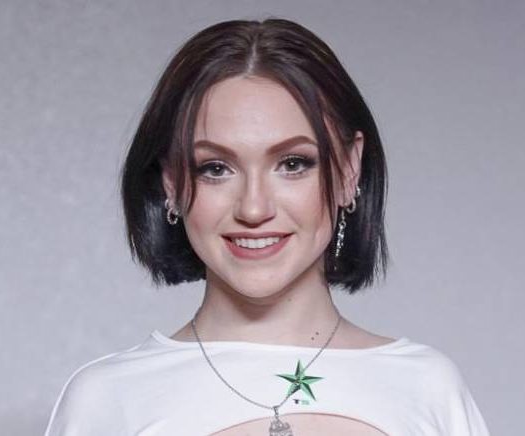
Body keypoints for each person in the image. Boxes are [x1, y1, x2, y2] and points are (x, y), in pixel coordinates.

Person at [44, 18, 490, 436]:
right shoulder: (109, 400)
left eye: (293, 163)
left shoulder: (426, 389)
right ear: (171, 183)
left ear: (348, 170)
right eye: (215, 168)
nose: (254, 208)